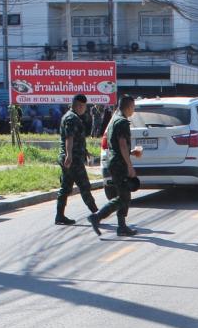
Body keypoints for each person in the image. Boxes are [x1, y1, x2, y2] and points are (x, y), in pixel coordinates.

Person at [91, 94, 141, 237]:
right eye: (133, 107)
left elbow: (117, 146)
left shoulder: (114, 120)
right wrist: (130, 166)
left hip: (115, 161)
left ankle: (122, 226)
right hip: (119, 164)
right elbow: (122, 144)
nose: (134, 110)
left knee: (124, 194)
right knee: (123, 197)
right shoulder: (122, 122)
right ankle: (97, 216)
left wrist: (132, 152)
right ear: (129, 106)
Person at [54, 94, 99, 226]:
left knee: (66, 187)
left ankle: (59, 216)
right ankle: (96, 214)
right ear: (79, 105)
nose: (85, 109)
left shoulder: (70, 116)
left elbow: (76, 139)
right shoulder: (72, 118)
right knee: (84, 186)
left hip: (71, 158)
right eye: (84, 106)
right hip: (72, 160)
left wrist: (85, 152)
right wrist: (69, 156)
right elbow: (69, 138)